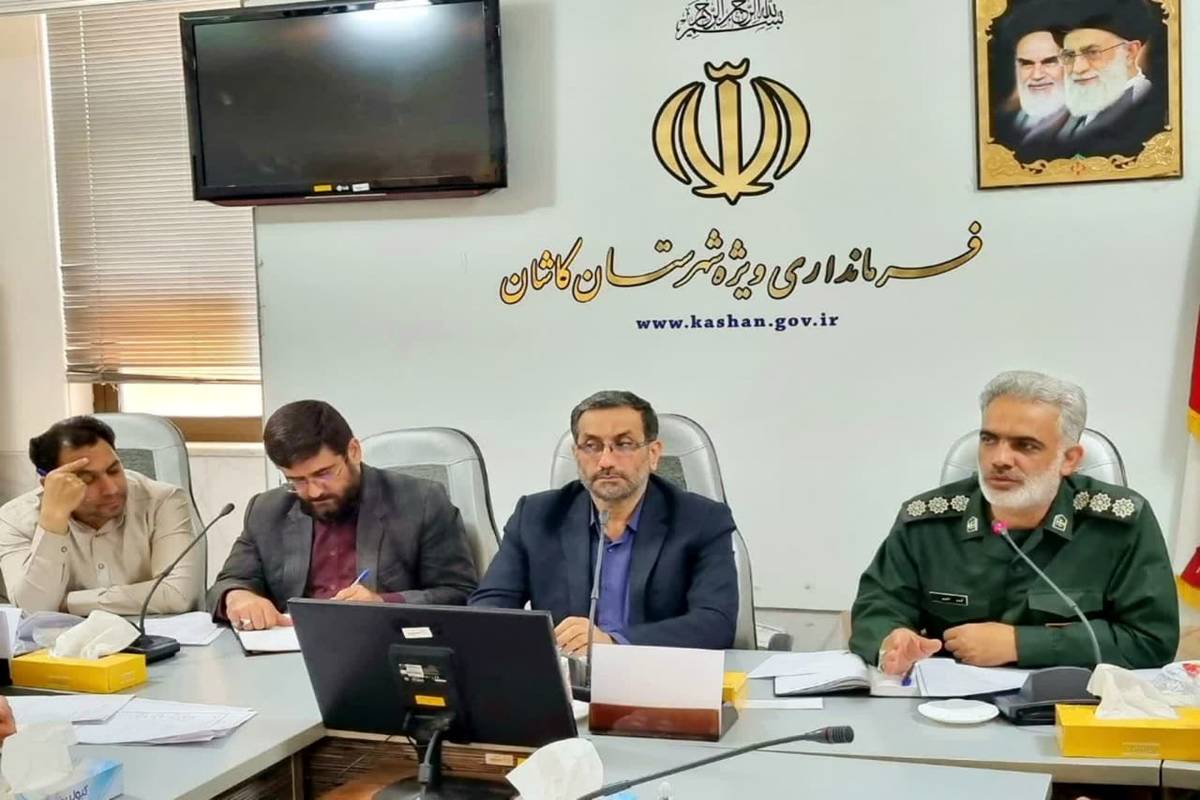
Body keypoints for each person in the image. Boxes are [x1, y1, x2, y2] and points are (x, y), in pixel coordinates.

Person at [850, 371, 1178, 674]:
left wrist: (1019, 644)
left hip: (1070, 704)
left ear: (1069, 459)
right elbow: (877, 607)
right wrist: (892, 640)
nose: (1000, 459)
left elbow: (1151, 640)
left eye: (1025, 445)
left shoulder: (1120, 523)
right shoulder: (926, 521)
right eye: (989, 440)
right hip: (945, 704)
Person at [471, 390, 738, 654]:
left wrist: (613, 642)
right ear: (576, 454)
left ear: (653, 454)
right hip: (566, 673)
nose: (606, 461)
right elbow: (487, 610)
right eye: (591, 446)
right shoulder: (535, 516)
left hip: (657, 672)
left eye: (624, 444)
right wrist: (545, 646)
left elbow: (715, 623)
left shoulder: (702, 520)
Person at [208, 400, 477, 630]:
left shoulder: (422, 501)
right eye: (297, 481)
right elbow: (229, 582)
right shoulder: (266, 510)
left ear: (353, 451)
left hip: (382, 645)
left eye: (324, 474)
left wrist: (383, 603)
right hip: (288, 649)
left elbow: (459, 594)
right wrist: (238, 598)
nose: (313, 492)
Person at [0, 416, 200, 615]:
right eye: (87, 479)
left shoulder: (162, 501)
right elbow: (32, 608)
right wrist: (53, 521)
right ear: (49, 485)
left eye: (114, 471)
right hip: (62, 635)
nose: (111, 489)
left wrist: (67, 602)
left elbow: (178, 595)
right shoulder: (14, 520)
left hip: (153, 631)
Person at [1055, 0, 1165, 158]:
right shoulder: (1070, 115)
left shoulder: (1152, 114)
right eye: (1069, 55)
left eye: (1092, 52)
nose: (1078, 68)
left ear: (1129, 52)